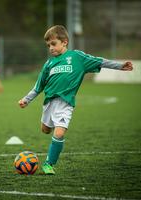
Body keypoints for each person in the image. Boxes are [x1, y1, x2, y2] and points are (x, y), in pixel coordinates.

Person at [18, 25, 133, 175]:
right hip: (49, 103)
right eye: (48, 46)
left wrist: (119, 66)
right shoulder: (49, 64)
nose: (50, 48)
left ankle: (49, 164)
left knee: (59, 133)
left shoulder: (77, 57)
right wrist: (26, 100)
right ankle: (52, 130)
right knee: (45, 130)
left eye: (53, 44)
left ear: (64, 42)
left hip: (65, 103)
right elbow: (38, 86)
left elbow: (100, 61)